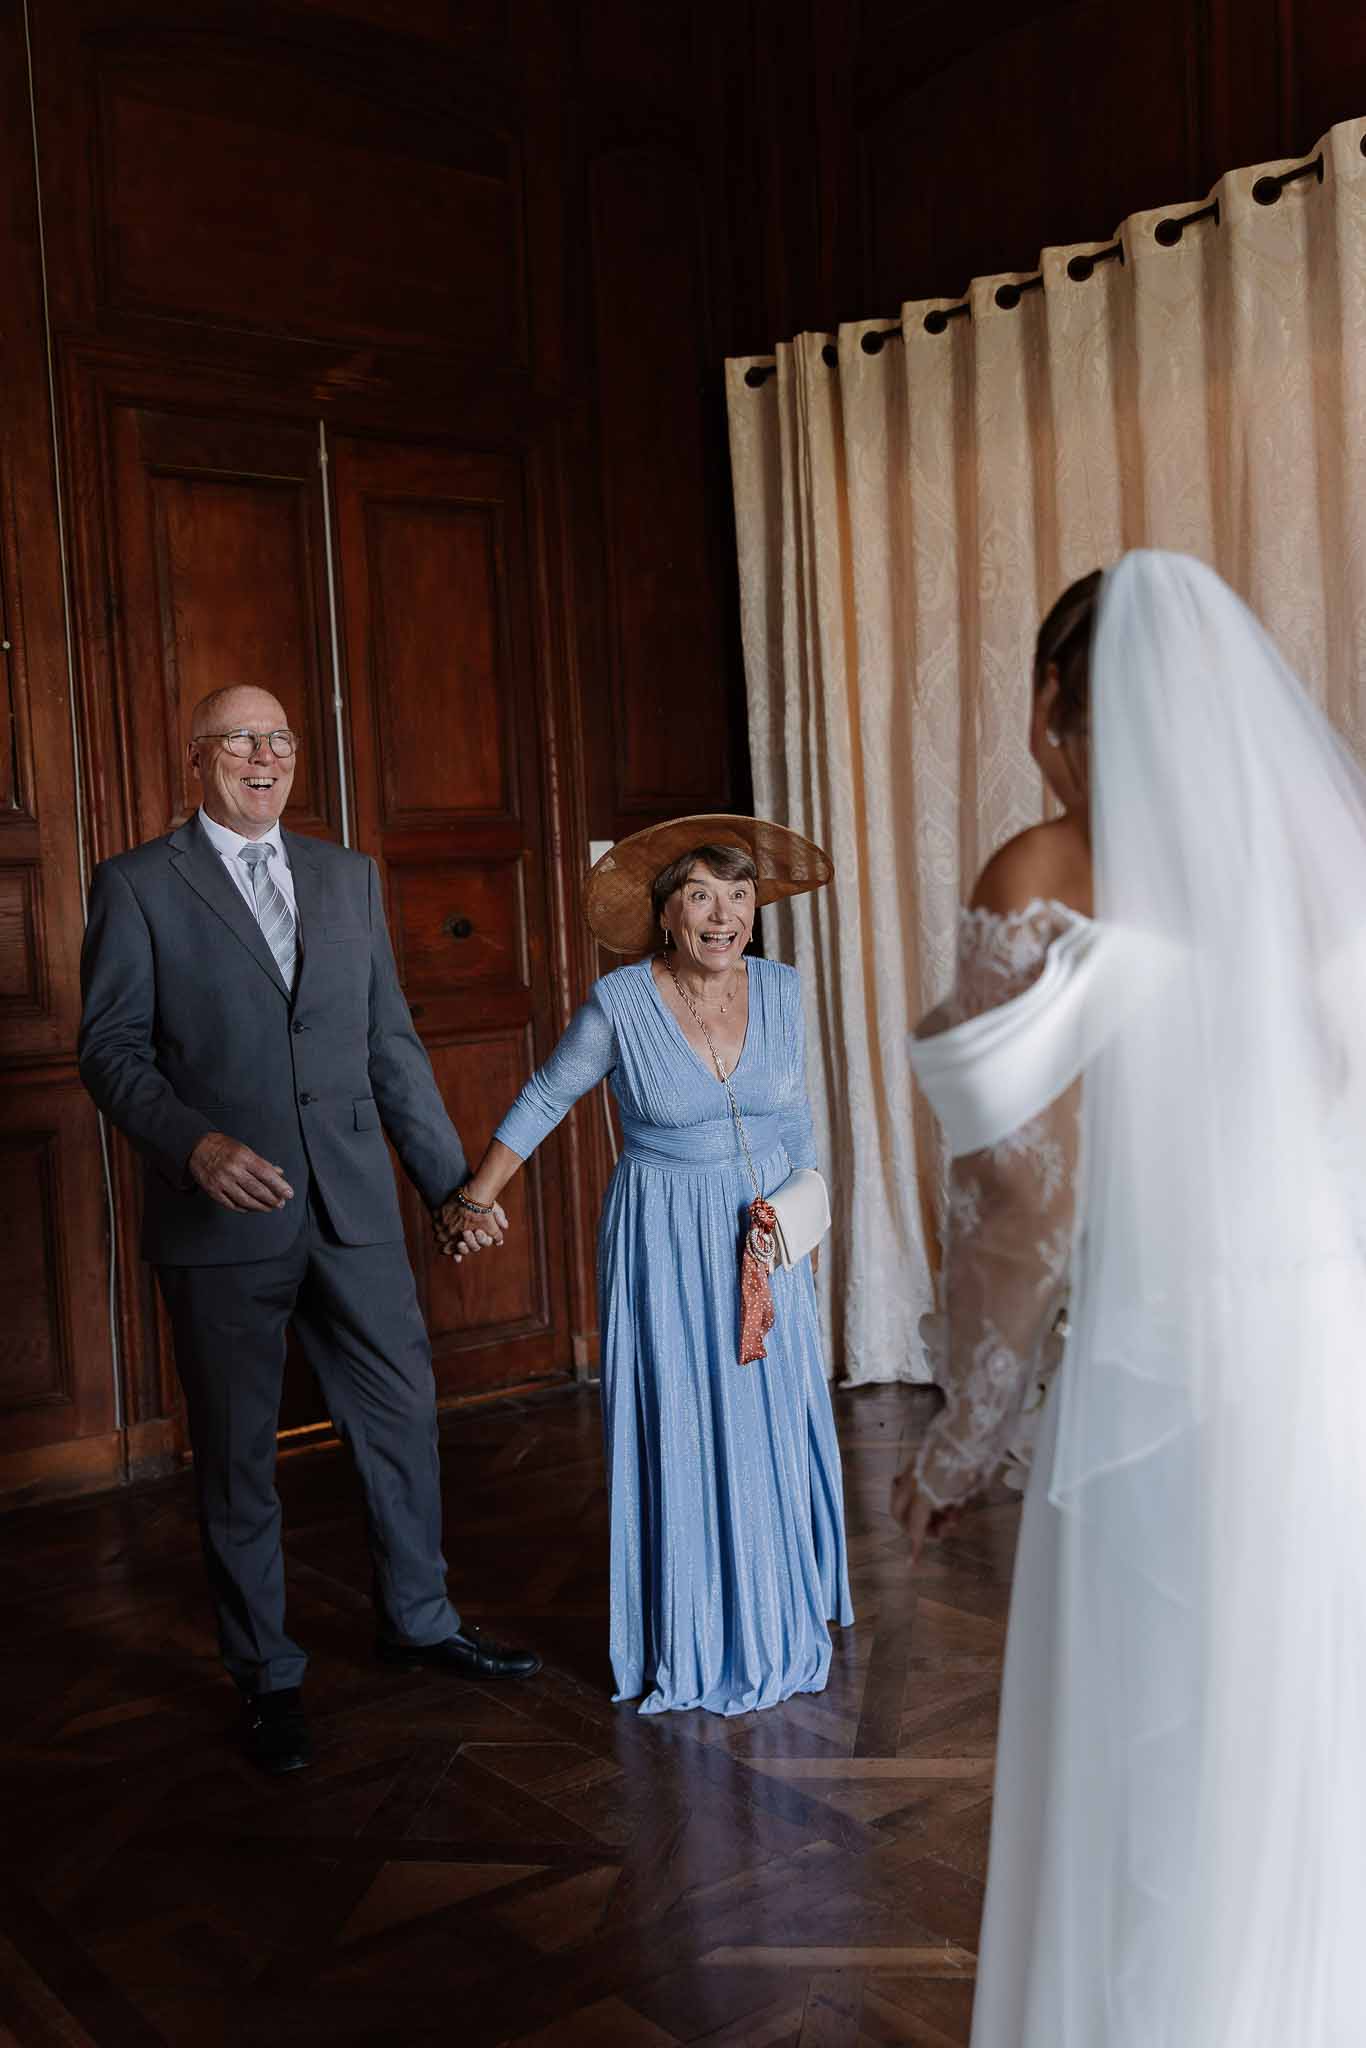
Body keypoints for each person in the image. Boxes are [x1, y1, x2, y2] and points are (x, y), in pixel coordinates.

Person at [893, 550, 1366, 2044]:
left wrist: (960, 1438)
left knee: (1148, 1730)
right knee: (1280, 1729)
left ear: (1050, 700)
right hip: (1314, 1350)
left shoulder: (1041, 872)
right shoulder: (1306, 877)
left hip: (1160, 1354)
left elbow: (1025, 1201)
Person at [78, 684, 540, 1776]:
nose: (264, 755)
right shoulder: (137, 883)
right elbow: (109, 1049)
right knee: (239, 1455)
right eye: (241, 738)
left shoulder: (347, 876)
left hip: (354, 1210)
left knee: (402, 1417)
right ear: (197, 759)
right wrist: (194, 1146)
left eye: (280, 738)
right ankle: (268, 1677)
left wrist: (452, 1189)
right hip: (222, 1217)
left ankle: (418, 1620)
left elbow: (391, 1046)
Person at [438, 817, 854, 1714]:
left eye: (739, 896)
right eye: (701, 896)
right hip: (666, 1238)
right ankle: (700, 1625)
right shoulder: (622, 1002)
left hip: (765, 1236)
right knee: (691, 1420)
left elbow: (795, 1119)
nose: (724, 915)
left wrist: (804, 1231)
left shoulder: (782, 989)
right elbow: (546, 1095)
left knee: (769, 1417)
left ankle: (780, 1601)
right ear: (665, 915)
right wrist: (476, 1197)